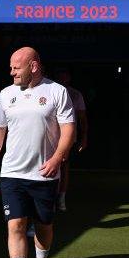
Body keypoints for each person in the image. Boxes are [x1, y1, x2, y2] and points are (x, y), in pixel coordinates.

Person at [0, 47, 76, 258]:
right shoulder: (6, 94)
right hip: (12, 173)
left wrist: (57, 159)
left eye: (17, 66)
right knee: (15, 225)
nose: (11, 71)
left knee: (43, 225)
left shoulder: (57, 91)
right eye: (11, 66)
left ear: (33, 66)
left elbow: (69, 129)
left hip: (44, 174)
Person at [53, 68, 88, 212]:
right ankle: (50, 199)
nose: (62, 78)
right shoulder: (50, 90)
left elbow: (82, 118)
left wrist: (84, 138)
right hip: (49, 138)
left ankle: (61, 198)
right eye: (60, 75)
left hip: (67, 138)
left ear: (68, 77)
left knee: (63, 167)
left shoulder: (75, 94)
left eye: (65, 75)